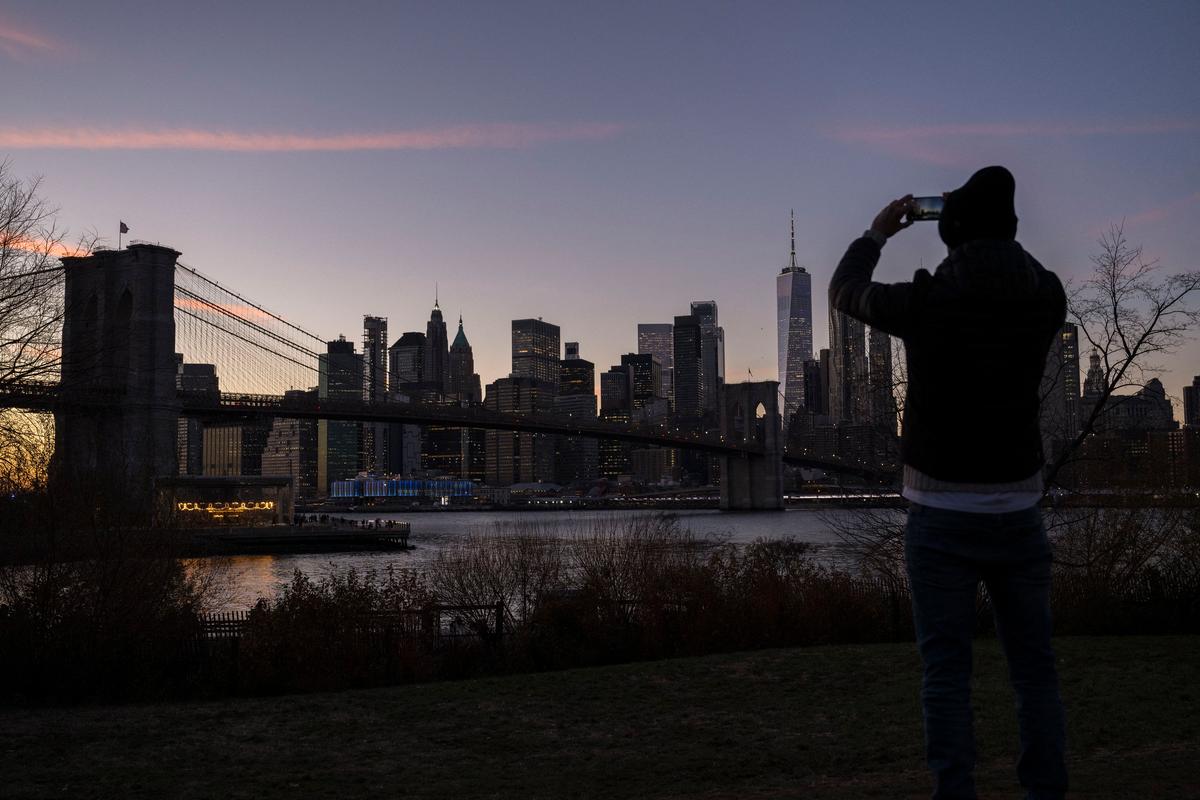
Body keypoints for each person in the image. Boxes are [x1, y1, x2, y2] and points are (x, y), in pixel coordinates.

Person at [829, 166, 1068, 800]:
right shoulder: (1046, 297)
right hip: (1019, 512)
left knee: (946, 674)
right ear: (1011, 229)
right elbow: (1024, 265)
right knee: (1035, 672)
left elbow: (845, 290)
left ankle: (955, 793)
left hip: (939, 515)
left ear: (952, 230)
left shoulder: (927, 301)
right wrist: (993, 230)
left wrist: (878, 233)